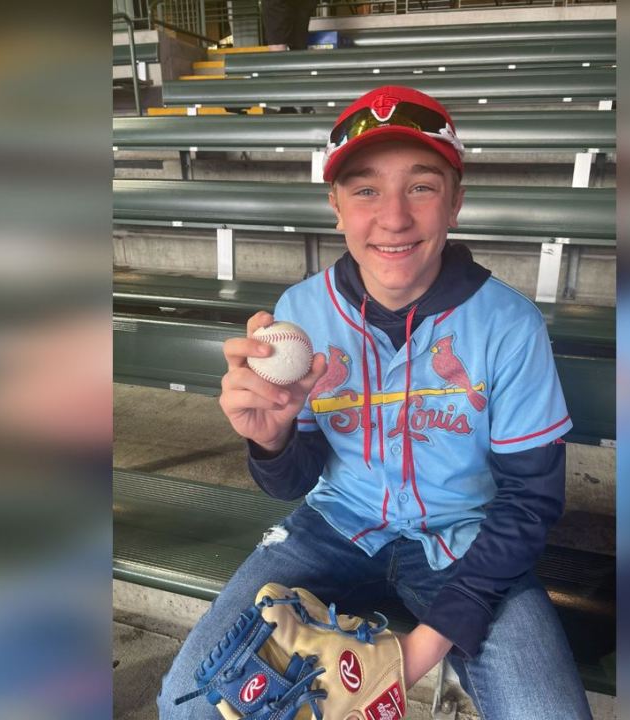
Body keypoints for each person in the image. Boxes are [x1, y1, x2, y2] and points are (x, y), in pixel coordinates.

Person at [157, 85, 592, 719]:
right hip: (332, 527)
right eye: (364, 190)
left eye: (421, 186)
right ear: (335, 207)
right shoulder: (299, 314)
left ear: (456, 203)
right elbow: (292, 482)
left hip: (467, 539)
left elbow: (531, 501)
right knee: (189, 703)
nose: (392, 217)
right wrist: (272, 441)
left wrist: (416, 652)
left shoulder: (508, 323)